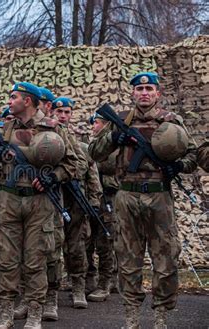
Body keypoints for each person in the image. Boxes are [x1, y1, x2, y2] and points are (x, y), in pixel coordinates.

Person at [88, 72, 197, 328]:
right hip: (127, 195)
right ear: (133, 93)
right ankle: (132, 317)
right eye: (140, 89)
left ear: (158, 93)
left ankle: (160, 317)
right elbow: (94, 152)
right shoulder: (119, 122)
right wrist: (114, 138)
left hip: (159, 195)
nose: (145, 93)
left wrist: (178, 167)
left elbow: (192, 154)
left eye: (149, 88)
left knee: (166, 256)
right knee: (127, 258)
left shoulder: (171, 122)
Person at [0, 82, 78, 329]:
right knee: (6, 259)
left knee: (36, 259)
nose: (10, 101)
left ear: (27, 101)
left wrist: (54, 177)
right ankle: (6, 313)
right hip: (8, 199)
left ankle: (35, 314)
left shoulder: (53, 128)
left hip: (39, 202)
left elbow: (74, 164)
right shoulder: (6, 128)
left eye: (13, 97)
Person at [52, 96, 98, 309]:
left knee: (76, 244)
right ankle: (47, 291)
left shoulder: (78, 140)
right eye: (59, 112)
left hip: (74, 194)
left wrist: (94, 199)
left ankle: (78, 286)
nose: (63, 116)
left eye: (66, 112)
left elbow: (87, 168)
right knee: (50, 244)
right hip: (52, 193)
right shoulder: (45, 136)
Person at [86, 113, 119, 301]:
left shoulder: (112, 145)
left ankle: (105, 283)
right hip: (93, 197)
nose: (93, 127)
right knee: (88, 241)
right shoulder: (95, 144)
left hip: (108, 197)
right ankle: (91, 280)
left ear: (106, 125)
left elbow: (107, 163)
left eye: (97, 123)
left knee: (106, 242)